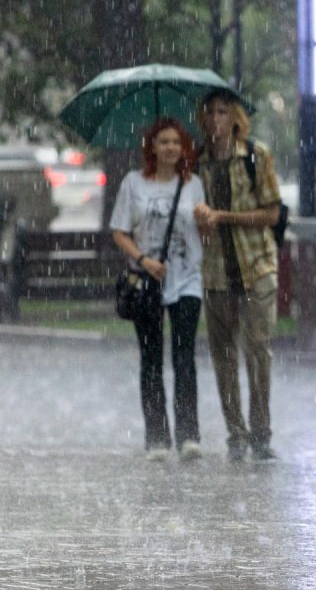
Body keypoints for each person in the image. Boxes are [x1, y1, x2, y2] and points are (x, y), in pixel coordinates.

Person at [193, 90, 283, 461]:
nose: (216, 119)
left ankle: (261, 431)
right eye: (210, 112)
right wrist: (199, 218)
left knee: (258, 350)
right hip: (215, 272)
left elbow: (272, 213)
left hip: (257, 266)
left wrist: (224, 217)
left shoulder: (255, 157)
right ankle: (236, 432)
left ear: (235, 118)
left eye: (223, 111)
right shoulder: (196, 162)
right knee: (222, 356)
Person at [110, 118, 206, 462]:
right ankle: (157, 437)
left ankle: (189, 435)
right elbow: (119, 231)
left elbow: (201, 230)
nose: (170, 148)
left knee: (184, 358)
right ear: (151, 146)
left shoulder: (193, 184)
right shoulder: (133, 183)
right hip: (147, 281)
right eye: (163, 141)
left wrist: (206, 219)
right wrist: (143, 258)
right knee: (151, 359)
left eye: (176, 142)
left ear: (184, 149)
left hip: (186, 279)